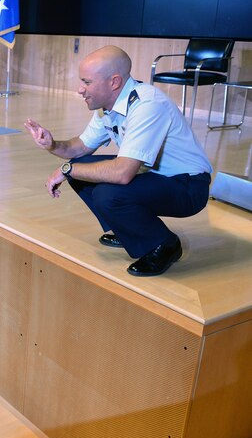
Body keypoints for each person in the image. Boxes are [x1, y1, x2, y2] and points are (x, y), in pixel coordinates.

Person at [24, 45, 213, 277]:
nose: (80, 89)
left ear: (114, 82)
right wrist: (53, 145)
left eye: (87, 82)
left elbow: (122, 173)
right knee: (82, 166)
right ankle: (128, 230)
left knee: (108, 193)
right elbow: (80, 147)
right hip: (156, 176)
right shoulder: (108, 107)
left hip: (188, 186)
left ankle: (164, 245)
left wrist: (67, 169)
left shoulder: (147, 105)